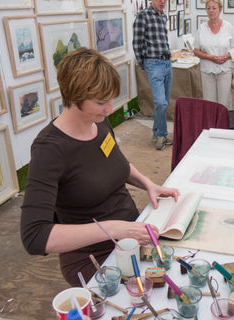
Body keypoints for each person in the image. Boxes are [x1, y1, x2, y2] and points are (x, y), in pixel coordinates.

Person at [20, 48, 180, 287]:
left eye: (111, 99)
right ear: (73, 96)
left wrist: (149, 184)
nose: (110, 108)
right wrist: (113, 228)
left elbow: (117, 165)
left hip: (130, 236)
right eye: (101, 102)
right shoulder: (48, 150)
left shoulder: (99, 122)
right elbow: (35, 237)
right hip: (93, 258)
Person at [133, 0, 173, 150]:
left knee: (164, 102)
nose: (162, 2)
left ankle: (157, 133)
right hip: (153, 63)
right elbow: (137, 43)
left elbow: (163, 40)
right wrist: (144, 63)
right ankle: (162, 134)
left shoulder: (163, 16)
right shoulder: (143, 16)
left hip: (167, 62)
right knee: (161, 102)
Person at [193, 0, 234, 110]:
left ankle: (224, 126)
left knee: (224, 103)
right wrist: (210, 58)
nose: (211, 11)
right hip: (207, 71)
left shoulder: (228, 27)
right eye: (208, 8)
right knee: (209, 103)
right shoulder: (202, 28)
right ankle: (211, 126)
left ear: (220, 10)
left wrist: (226, 56)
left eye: (214, 8)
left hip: (224, 70)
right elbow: (196, 51)